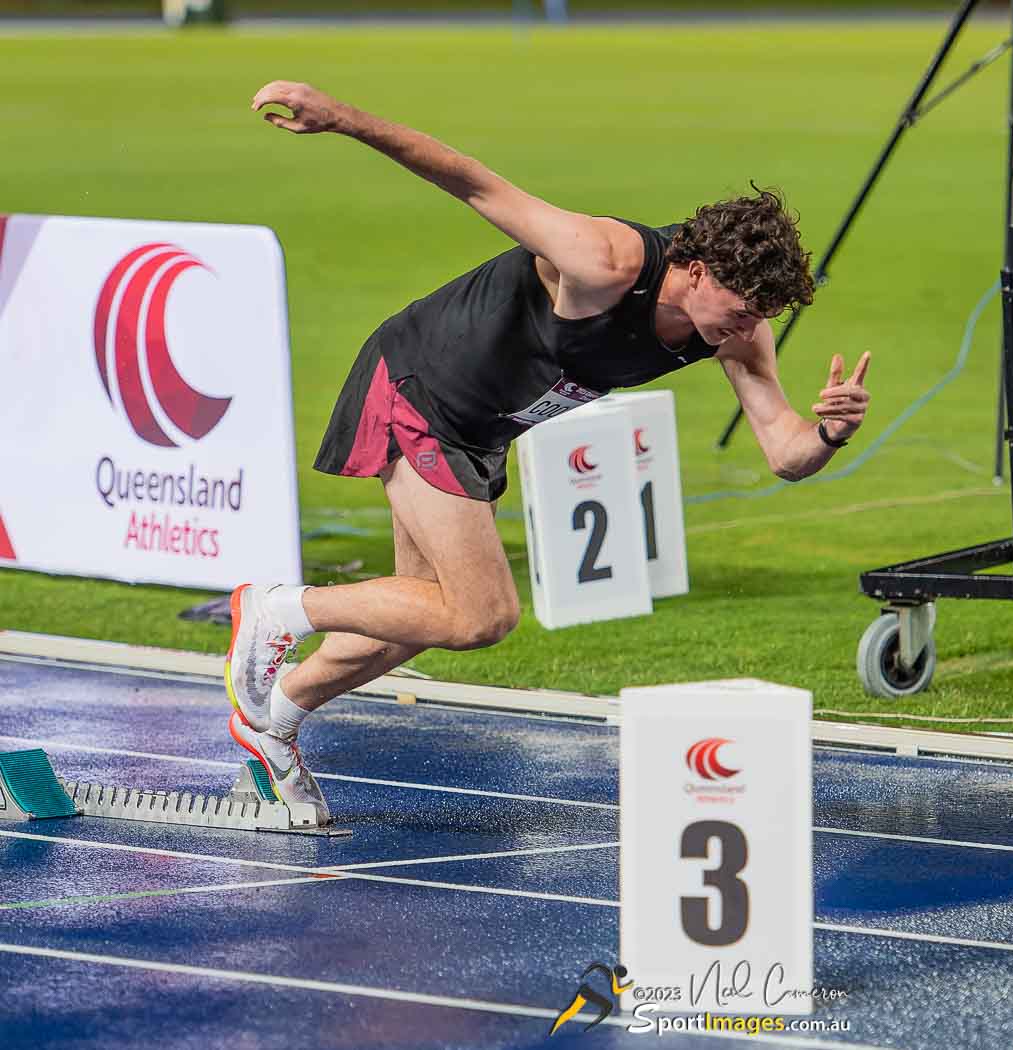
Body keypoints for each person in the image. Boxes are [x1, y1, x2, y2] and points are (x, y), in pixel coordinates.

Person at [225, 81, 873, 822]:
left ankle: (272, 718)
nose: (751, 326)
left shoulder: (736, 331)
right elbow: (468, 178)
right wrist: (340, 118)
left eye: (764, 314)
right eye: (744, 307)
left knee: (414, 619)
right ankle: (276, 608)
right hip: (421, 387)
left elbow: (785, 452)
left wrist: (829, 433)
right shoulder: (603, 260)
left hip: (480, 429)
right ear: (699, 270)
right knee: (481, 616)